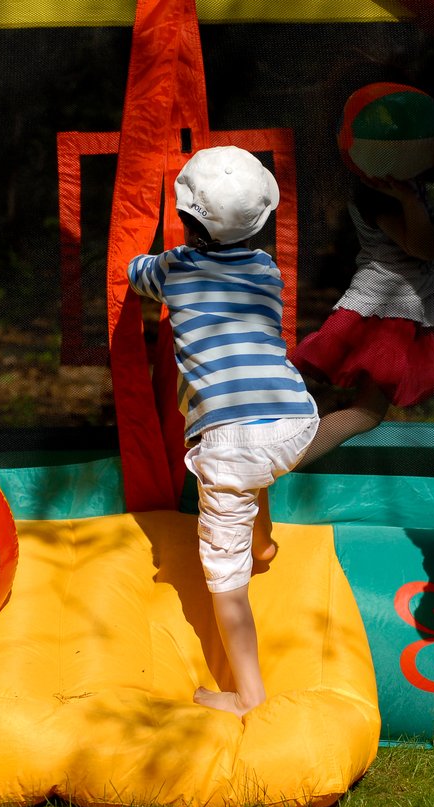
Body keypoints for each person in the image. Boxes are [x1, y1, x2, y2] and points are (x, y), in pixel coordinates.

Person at [127, 146, 319, 717]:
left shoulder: (174, 268)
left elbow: (135, 274)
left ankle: (248, 695)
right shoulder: (267, 269)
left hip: (230, 441)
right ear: (261, 222)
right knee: (258, 464)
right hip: (293, 420)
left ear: (184, 219)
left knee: (225, 574)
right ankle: (264, 542)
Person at [292, 92, 434, 467]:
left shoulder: (405, 175)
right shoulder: (376, 195)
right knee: (365, 413)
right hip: (386, 312)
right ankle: (280, 463)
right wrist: (411, 203)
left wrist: (432, 133)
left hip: (418, 302)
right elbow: (422, 249)